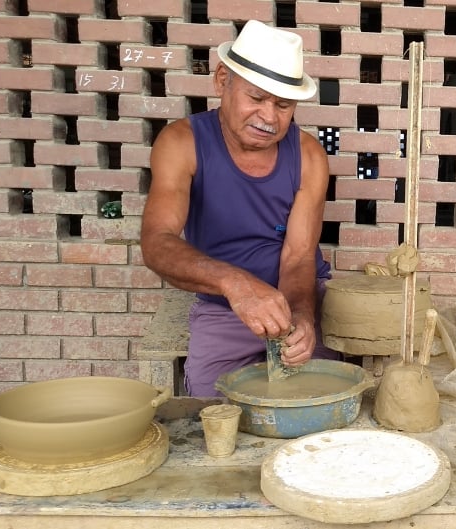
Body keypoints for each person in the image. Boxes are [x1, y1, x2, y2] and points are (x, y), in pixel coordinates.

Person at [140, 20, 340, 397]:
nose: (269, 117)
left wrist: (301, 316)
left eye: (283, 105)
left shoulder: (309, 155)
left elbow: (298, 256)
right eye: (256, 98)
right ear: (222, 81)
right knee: (213, 407)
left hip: (298, 298)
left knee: (318, 400)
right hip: (224, 308)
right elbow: (156, 242)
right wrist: (236, 285)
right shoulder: (182, 143)